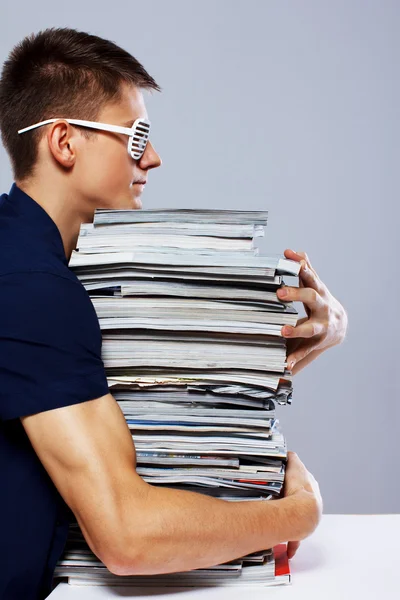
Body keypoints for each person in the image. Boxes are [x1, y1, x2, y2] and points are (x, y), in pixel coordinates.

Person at [0, 27, 347, 600]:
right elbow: (128, 538)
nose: (154, 158)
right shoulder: (31, 287)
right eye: (137, 136)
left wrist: (328, 327)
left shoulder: (44, 267)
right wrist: (302, 512)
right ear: (64, 143)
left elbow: (153, 384)